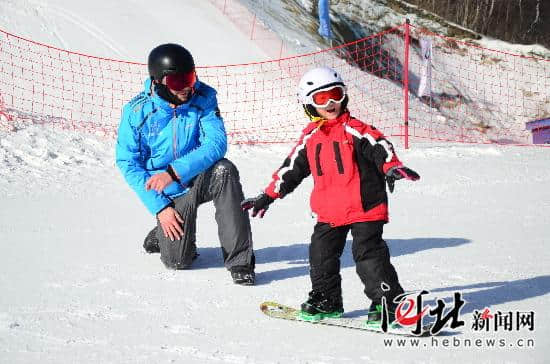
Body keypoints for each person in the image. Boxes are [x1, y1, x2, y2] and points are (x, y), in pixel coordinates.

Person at [241, 66, 420, 323]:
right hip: (330, 211)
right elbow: (291, 169)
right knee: (320, 255)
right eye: (322, 98)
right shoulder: (310, 137)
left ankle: (389, 303)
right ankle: (327, 300)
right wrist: (268, 195)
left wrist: (392, 167)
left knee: (368, 255)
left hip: (365, 207)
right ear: (308, 104)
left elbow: (381, 147)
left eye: (336, 94)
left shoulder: (357, 130)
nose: (332, 103)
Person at [116, 43, 255, 285]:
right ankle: (161, 234)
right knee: (178, 261)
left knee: (225, 170)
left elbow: (216, 144)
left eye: (190, 78)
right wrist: (160, 208)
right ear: (159, 82)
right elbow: (128, 163)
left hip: (197, 179)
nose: (187, 88)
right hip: (167, 194)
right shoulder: (136, 112)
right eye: (178, 83)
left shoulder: (204, 98)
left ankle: (240, 261)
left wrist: (174, 171)